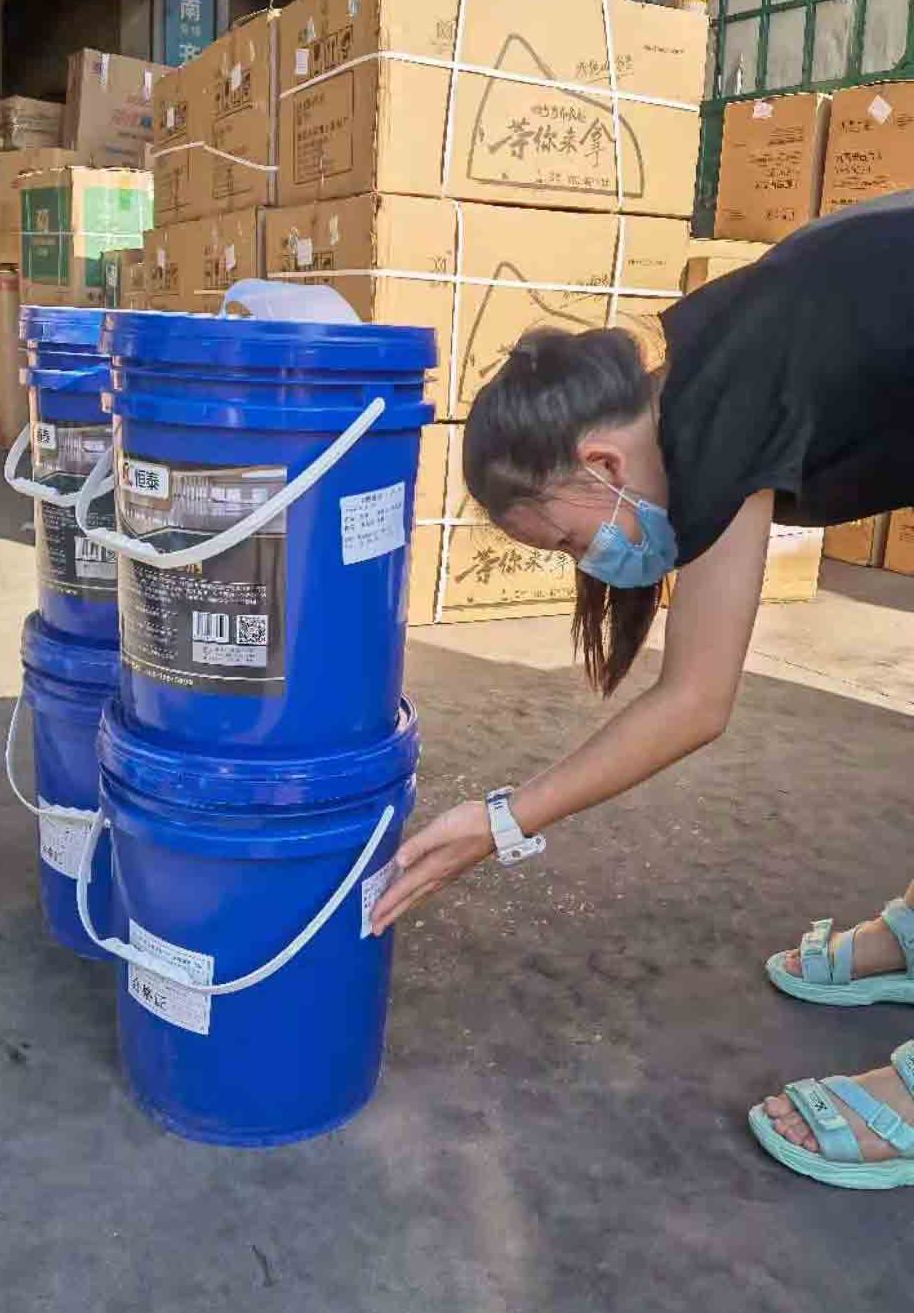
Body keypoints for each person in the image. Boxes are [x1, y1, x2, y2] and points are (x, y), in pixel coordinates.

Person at [371, 189, 914, 1189]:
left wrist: (493, 824)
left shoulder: (723, 404)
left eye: (571, 539)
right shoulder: (713, 366)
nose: (590, 561)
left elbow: (696, 702)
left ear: (600, 460)